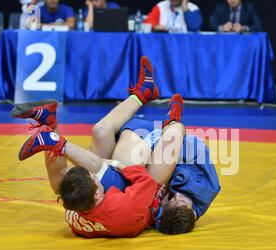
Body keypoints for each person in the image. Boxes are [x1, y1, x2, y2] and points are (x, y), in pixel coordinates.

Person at [12, 57, 189, 238]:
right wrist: (114, 163)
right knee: (168, 133)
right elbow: (147, 183)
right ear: (97, 194)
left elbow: (76, 188)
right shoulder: (125, 208)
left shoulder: (74, 212)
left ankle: (50, 123)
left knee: (95, 140)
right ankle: (55, 141)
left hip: (118, 197)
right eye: (93, 179)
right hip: (139, 191)